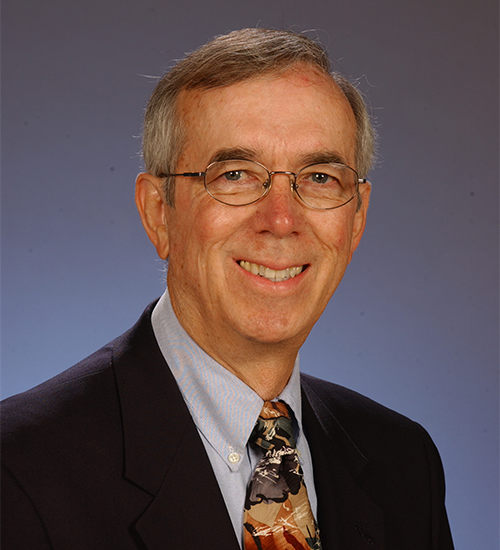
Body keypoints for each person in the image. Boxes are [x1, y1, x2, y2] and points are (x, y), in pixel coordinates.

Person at [1, 28, 454, 550]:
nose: (281, 220)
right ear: (158, 214)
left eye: (319, 177)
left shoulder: (403, 462)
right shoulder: (17, 472)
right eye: (235, 174)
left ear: (356, 221)